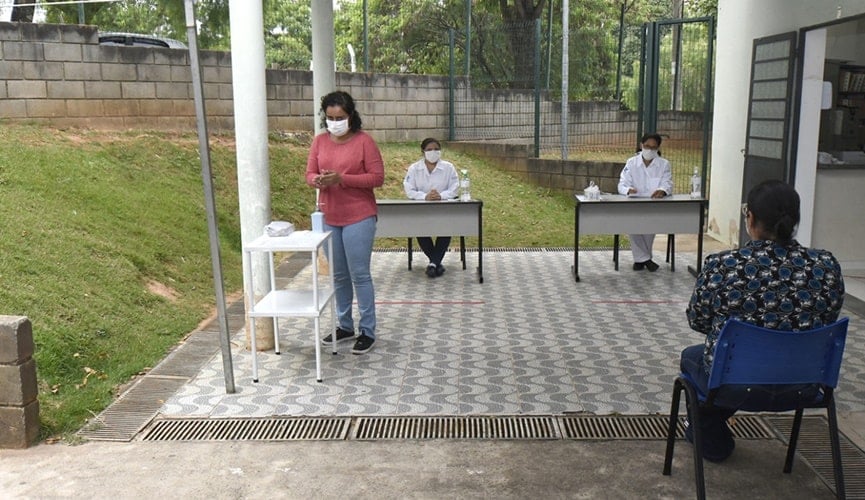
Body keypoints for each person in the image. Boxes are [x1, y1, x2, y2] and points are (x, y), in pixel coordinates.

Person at [681, 179, 845, 462]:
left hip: (734, 383)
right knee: (724, 366)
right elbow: (828, 317)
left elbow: (698, 320)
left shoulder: (723, 265)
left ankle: (709, 437)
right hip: (804, 383)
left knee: (693, 358)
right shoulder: (825, 266)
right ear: (795, 220)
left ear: (751, 218)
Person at [306, 90, 384, 355]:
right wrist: (317, 179)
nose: (334, 122)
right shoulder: (319, 142)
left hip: (359, 215)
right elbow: (309, 172)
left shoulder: (364, 142)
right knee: (338, 275)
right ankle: (345, 325)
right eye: (329, 117)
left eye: (340, 117)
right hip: (330, 215)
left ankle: (368, 330)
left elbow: (377, 178)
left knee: (359, 274)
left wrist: (343, 179)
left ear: (351, 116)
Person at [403, 137, 460, 278]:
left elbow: (455, 188)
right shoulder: (414, 169)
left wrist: (441, 196)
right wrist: (425, 197)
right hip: (421, 210)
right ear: (423, 151)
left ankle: (433, 263)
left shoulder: (448, 168)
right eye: (429, 150)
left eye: (436, 149)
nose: (433, 152)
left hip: (444, 210)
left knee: (446, 230)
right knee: (420, 230)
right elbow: (409, 190)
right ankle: (436, 263)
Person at [617, 132, 673, 272]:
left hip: (653, 203)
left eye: (653, 148)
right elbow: (622, 184)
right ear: (641, 145)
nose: (649, 150)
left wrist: (662, 190)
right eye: (647, 146)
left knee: (649, 229)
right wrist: (628, 190)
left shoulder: (664, 164)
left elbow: (667, 183)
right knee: (634, 227)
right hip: (633, 203)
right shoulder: (631, 162)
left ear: (658, 148)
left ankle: (640, 260)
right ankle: (646, 260)